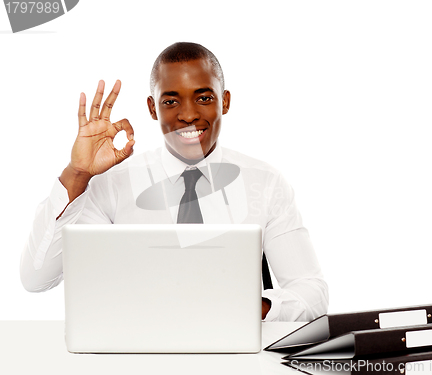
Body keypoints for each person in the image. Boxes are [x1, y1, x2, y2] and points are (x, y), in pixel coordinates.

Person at [20, 42, 329, 321]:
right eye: (171, 102)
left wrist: (251, 307)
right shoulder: (110, 185)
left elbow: (311, 292)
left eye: (204, 97)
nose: (188, 115)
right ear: (152, 109)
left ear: (225, 101)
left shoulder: (265, 183)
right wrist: (78, 174)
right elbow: (36, 278)